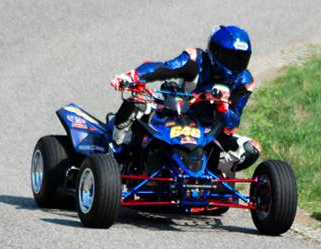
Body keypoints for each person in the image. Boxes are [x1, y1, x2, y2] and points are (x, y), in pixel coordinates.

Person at [109, 25, 261, 176]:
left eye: (241, 59)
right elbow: (163, 68)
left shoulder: (244, 81)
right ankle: (117, 153)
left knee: (252, 149)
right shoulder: (196, 60)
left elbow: (232, 126)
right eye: (231, 58)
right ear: (215, 52)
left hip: (209, 132)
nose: (236, 64)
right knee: (136, 103)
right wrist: (132, 76)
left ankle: (216, 175)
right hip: (175, 115)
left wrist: (223, 107)